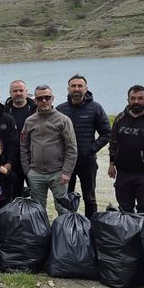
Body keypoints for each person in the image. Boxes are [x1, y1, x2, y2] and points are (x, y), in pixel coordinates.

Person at [56, 74, 111, 218]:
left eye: (80, 86)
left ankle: (91, 225)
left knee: (89, 197)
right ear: (68, 89)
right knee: (66, 197)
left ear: (86, 89)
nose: (76, 89)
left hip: (87, 161)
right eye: (73, 86)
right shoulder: (60, 109)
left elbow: (106, 133)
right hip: (66, 162)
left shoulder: (95, 108)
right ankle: (68, 225)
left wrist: (91, 149)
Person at [20, 85, 78, 217]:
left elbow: (71, 147)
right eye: (40, 98)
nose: (44, 101)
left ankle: (63, 230)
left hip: (58, 173)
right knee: (37, 210)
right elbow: (23, 146)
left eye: (47, 97)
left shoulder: (63, 120)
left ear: (52, 98)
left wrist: (67, 172)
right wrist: (27, 170)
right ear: (35, 100)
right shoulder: (29, 121)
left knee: (63, 208)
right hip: (35, 173)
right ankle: (42, 230)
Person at [108, 85, 144, 213]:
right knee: (124, 209)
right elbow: (113, 143)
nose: (136, 101)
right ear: (128, 100)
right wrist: (111, 164)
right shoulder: (120, 118)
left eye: (140, 98)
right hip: (123, 171)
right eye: (133, 98)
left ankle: (143, 226)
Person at [4, 79, 36, 197]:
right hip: (12, 159)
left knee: (36, 193)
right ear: (10, 93)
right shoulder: (4, 112)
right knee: (15, 194)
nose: (18, 93)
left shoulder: (35, 110)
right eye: (15, 91)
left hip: (32, 158)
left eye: (21, 90)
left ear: (26, 92)